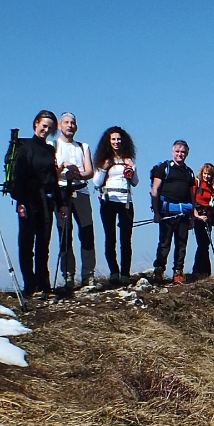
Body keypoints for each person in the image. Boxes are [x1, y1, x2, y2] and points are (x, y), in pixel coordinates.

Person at [10, 111, 63, 299]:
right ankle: (30, 286)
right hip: (29, 200)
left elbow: (53, 178)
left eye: (50, 127)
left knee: (43, 244)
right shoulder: (25, 148)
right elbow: (19, 177)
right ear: (36, 124)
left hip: (47, 201)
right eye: (44, 125)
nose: (46, 130)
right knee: (26, 243)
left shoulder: (49, 150)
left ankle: (45, 285)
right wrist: (20, 202)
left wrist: (60, 203)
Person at [54, 112, 96, 291]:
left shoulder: (83, 146)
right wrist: (63, 168)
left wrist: (76, 173)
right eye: (66, 122)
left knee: (86, 232)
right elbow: (51, 172)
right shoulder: (53, 145)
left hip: (81, 190)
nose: (70, 125)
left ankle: (88, 274)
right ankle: (68, 274)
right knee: (64, 233)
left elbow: (90, 172)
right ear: (59, 125)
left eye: (72, 123)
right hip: (61, 192)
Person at [93, 127, 137, 284]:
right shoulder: (103, 160)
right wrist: (105, 167)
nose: (116, 142)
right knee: (110, 237)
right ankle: (114, 272)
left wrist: (131, 168)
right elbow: (96, 182)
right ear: (108, 141)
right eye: (113, 139)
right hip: (108, 200)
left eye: (118, 139)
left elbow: (135, 182)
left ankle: (125, 273)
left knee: (126, 239)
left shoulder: (128, 159)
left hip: (125, 201)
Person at [150, 140, 197, 284]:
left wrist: (193, 217)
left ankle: (178, 272)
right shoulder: (163, 168)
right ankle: (159, 270)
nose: (180, 154)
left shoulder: (189, 172)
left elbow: (192, 196)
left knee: (181, 243)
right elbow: (155, 191)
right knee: (164, 243)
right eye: (177, 151)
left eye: (183, 152)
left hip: (184, 213)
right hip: (167, 212)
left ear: (187, 153)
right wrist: (157, 212)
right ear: (172, 152)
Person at [191, 163, 214, 280]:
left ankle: (203, 271)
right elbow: (191, 199)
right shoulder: (197, 183)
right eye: (205, 174)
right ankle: (199, 270)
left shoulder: (211, 187)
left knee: (205, 244)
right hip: (198, 216)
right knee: (202, 244)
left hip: (208, 217)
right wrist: (196, 215)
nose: (207, 176)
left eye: (209, 174)